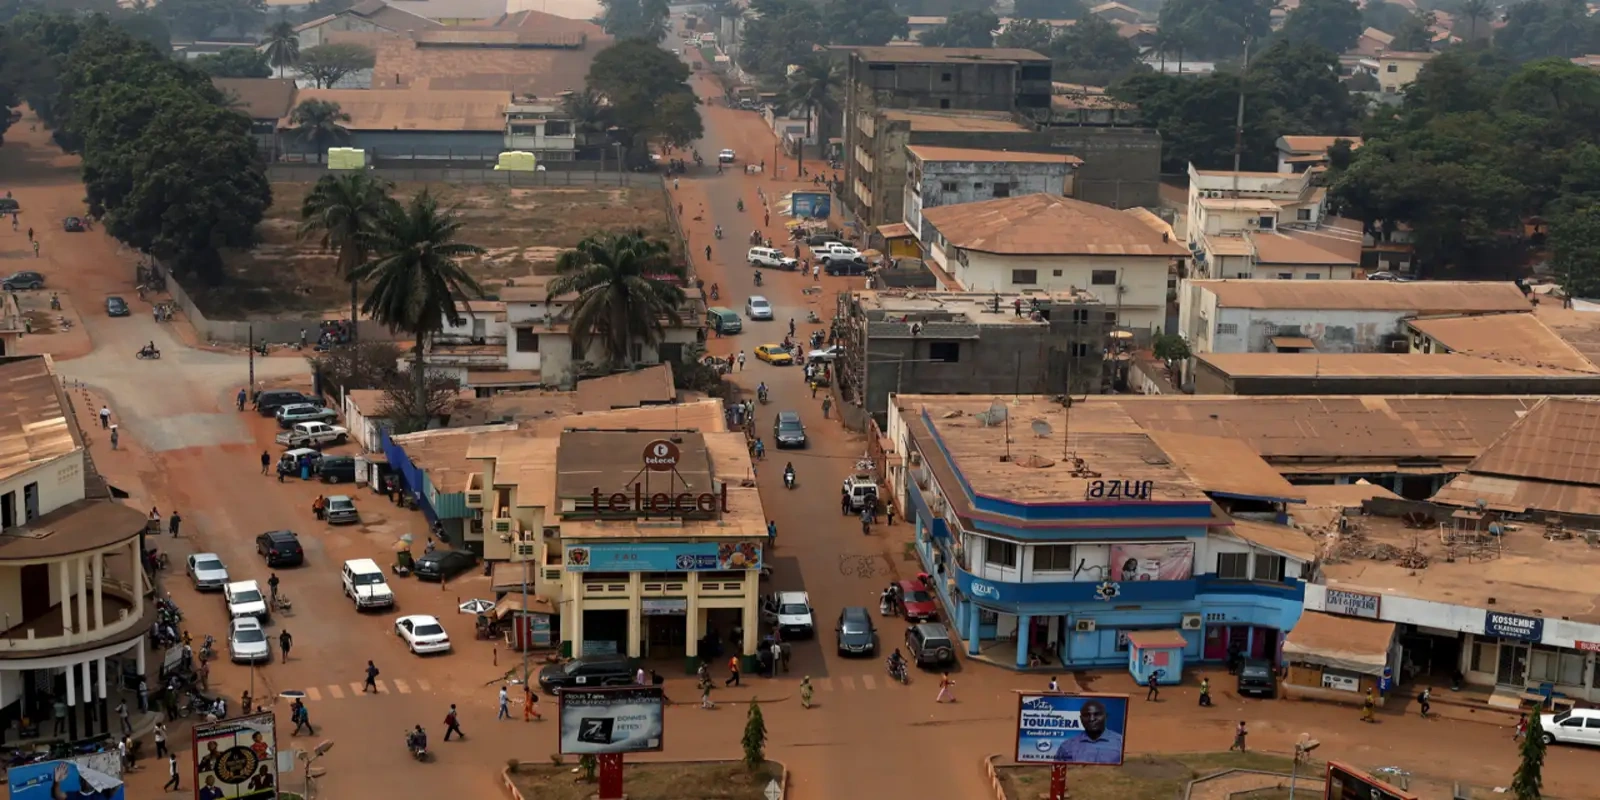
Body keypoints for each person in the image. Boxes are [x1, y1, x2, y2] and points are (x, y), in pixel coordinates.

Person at [1051, 700, 1122, 763]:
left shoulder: (1121, 743)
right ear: (1081, 719)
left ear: (1106, 716)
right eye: (1087, 715)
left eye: (1097, 714)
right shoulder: (1067, 746)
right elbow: (1057, 771)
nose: (1092, 719)